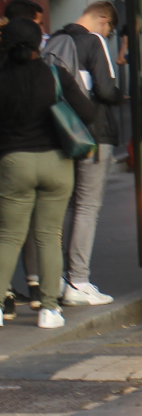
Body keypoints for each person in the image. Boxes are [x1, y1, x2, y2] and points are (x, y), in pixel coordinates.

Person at [0, 18, 97, 329]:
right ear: (37, 44)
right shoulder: (54, 74)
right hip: (57, 162)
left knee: (9, 237)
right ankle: (49, 309)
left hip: (14, 162)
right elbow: (88, 113)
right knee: (49, 237)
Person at [53, 1, 124, 306]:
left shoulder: (56, 39)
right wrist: (120, 95)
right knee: (86, 208)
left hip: (63, 134)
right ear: (103, 19)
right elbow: (107, 90)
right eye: (108, 30)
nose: (106, 35)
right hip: (95, 135)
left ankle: (54, 278)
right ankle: (79, 281)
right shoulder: (94, 41)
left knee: (63, 208)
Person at [2, 0, 47, 315]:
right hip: (29, 153)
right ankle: (41, 295)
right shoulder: (38, 68)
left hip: (8, 154)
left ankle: (6, 296)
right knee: (36, 229)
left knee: (8, 230)